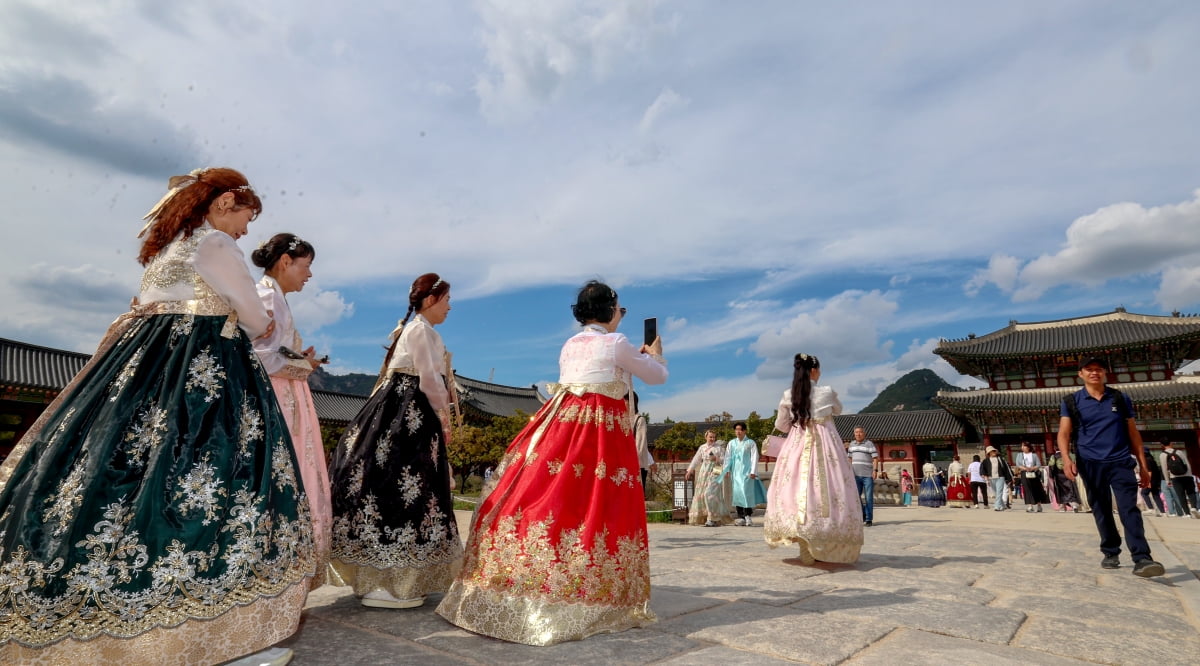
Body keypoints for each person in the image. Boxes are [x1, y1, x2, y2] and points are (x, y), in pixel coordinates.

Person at [0, 168, 314, 666]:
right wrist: (258, 321)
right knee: (214, 477)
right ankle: (211, 631)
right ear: (223, 202)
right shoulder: (214, 244)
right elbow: (255, 318)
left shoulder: (168, 248)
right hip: (202, 366)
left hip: (141, 365)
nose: (245, 231)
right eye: (245, 217)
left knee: (116, 474)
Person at [437, 280, 667, 646]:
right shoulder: (617, 343)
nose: (621, 316)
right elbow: (657, 377)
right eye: (620, 309)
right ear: (609, 311)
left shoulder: (571, 344)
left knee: (552, 498)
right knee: (598, 505)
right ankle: (591, 587)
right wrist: (654, 354)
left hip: (561, 423)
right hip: (599, 432)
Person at [328, 273, 463, 608]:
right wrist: (443, 416)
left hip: (396, 410)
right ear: (430, 300)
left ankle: (390, 578)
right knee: (406, 485)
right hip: (410, 412)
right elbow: (430, 379)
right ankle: (393, 581)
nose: (449, 307)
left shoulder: (416, 329)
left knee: (393, 484)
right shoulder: (421, 331)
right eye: (446, 300)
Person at [252, 233, 333, 587]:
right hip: (279, 398)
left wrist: (301, 361)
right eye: (306, 266)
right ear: (286, 261)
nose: (309, 275)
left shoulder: (276, 296)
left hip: (290, 396)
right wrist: (303, 366)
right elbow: (260, 356)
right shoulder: (267, 296)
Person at [1058, 357, 1164, 577]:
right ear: (1081, 374)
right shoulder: (1071, 401)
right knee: (1101, 508)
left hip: (1120, 461)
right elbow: (1064, 433)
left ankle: (1142, 557)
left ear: (1105, 373)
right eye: (1089, 370)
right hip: (1089, 462)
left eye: (1099, 369)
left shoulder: (1119, 397)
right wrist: (1067, 459)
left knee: (1129, 508)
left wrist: (1143, 465)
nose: (1094, 373)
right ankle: (1110, 550)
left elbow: (1133, 433)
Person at [763, 353, 862, 564]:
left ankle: (802, 541)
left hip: (796, 444)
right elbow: (838, 409)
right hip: (825, 446)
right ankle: (821, 540)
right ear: (815, 370)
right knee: (826, 490)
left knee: (795, 487)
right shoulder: (826, 392)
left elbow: (781, 425)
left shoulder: (789, 395)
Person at [686, 430, 732, 526]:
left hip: (716, 469)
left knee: (710, 493)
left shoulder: (719, 448)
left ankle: (712, 517)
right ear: (706, 437)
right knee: (702, 494)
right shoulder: (702, 447)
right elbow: (696, 459)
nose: (712, 439)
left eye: (714, 437)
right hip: (704, 470)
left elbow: (726, 459)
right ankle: (707, 517)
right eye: (710, 437)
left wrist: (718, 460)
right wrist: (690, 470)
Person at [724, 422, 766, 526]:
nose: (738, 432)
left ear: (744, 431)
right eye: (736, 430)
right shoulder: (732, 443)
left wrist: (753, 472)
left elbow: (754, 457)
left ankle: (748, 515)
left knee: (746, 494)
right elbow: (727, 457)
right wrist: (727, 470)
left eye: (740, 429)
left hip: (747, 472)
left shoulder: (750, 443)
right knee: (737, 494)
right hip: (735, 472)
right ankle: (741, 516)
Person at [847, 426, 880, 525]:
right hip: (855, 475)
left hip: (867, 475)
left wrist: (875, 470)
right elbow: (849, 459)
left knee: (868, 497)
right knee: (856, 497)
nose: (858, 434)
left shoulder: (869, 444)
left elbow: (875, 458)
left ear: (864, 433)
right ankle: (863, 515)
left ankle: (869, 518)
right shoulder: (852, 444)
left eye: (860, 432)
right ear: (854, 434)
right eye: (856, 432)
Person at [1160, 443, 1200, 519]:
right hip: (1186, 475)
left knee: (1181, 495)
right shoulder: (1179, 452)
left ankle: (1187, 513)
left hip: (1175, 477)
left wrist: (1167, 480)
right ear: (1171, 443)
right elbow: (1187, 463)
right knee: (1191, 492)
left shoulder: (1162, 455)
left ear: (1162, 445)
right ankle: (1194, 507)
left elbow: (1164, 469)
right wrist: (1190, 474)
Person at [1014, 442, 1050, 513]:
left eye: (1024, 446)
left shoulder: (1034, 455)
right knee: (1027, 489)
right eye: (1022, 446)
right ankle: (1030, 506)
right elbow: (1018, 464)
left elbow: (1038, 464)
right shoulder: (1020, 455)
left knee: (1036, 489)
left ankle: (1039, 505)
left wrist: (1032, 468)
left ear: (1028, 447)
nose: (1023, 447)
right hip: (1024, 473)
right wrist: (1025, 468)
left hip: (1033, 473)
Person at [633, 393, 655, 500]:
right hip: (622, 463)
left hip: (636, 464)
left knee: (636, 496)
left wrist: (651, 462)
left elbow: (641, 445)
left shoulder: (639, 419)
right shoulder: (621, 418)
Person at [980, 446, 1012, 511]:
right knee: (996, 493)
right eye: (992, 451)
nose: (994, 452)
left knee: (999, 492)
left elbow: (1006, 469)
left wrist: (1009, 478)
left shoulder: (1000, 459)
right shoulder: (985, 461)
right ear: (989, 453)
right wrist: (985, 477)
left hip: (1000, 477)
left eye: (994, 451)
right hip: (991, 478)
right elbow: (983, 470)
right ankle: (1003, 505)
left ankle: (997, 506)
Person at [1140, 452, 1166, 517]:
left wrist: (1148, 481)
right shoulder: (1152, 460)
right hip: (1155, 481)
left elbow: (1149, 471)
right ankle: (1163, 512)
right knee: (1156, 495)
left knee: (1144, 493)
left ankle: (1151, 509)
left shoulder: (1147, 460)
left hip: (1151, 480)